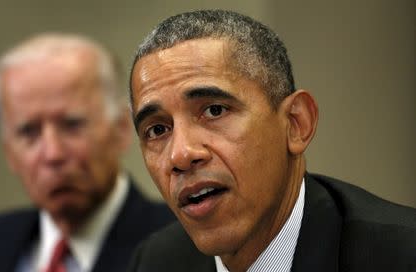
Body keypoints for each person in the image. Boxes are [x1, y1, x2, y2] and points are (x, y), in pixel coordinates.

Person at [127, 10, 416, 272]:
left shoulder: (402, 255)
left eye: (214, 110)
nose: (180, 154)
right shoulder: (155, 262)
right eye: (157, 130)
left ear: (296, 124)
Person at [0, 33, 175, 272]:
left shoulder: (184, 247)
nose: (53, 154)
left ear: (121, 130)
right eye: (29, 132)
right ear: (9, 152)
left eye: (72, 125)